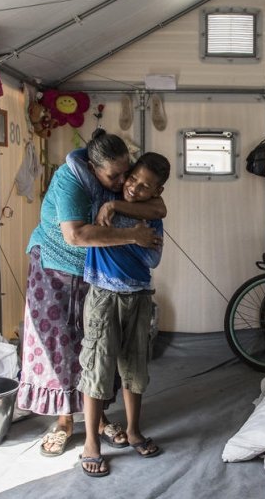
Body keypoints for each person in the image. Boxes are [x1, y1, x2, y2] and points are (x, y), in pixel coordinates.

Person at [18, 129, 165, 457]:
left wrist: (114, 201)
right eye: (115, 176)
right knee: (61, 343)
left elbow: (159, 207)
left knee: (96, 347)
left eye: (126, 172)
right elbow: (77, 235)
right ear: (94, 167)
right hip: (56, 267)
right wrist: (131, 236)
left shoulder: (115, 184)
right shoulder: (71, 181)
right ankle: (64, 421)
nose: (122, 180)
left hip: (93, 274)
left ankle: (97, 421)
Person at [76, 152, 170, 477]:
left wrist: (120, 238)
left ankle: (133, 430)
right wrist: (133, 237)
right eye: (132, 179)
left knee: (135, 366)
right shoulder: (105, 196)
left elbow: (153, 258)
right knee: (97, 367)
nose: (134, 188)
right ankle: (91, 443)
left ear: (156, 191)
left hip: (139, 295)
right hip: (103, 294)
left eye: (145, 187)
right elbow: (78, 161)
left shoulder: (151, 212)